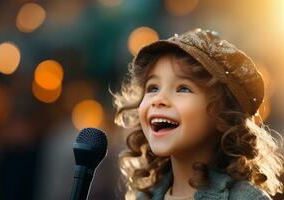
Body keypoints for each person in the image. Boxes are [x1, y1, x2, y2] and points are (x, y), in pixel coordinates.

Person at [111, 28, 284, 200]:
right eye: (153, 88)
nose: (158, 99)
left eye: (183, 88)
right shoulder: (144, 197)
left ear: (223, 115)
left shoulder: (246, 198)